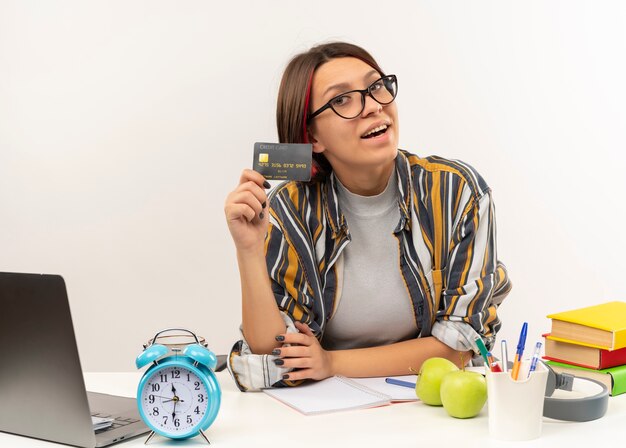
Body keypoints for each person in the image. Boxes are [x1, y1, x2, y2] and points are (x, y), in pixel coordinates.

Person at [223, 42, 511, 391]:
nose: (374, 106)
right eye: (342, 99)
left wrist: (330, 362)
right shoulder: (290, 210)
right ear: (312, 136)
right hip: (327, 409)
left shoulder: (455, 193)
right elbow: (274, 358)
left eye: (376, 86)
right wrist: (249, 251)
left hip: (430, 405)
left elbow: (461, 346)